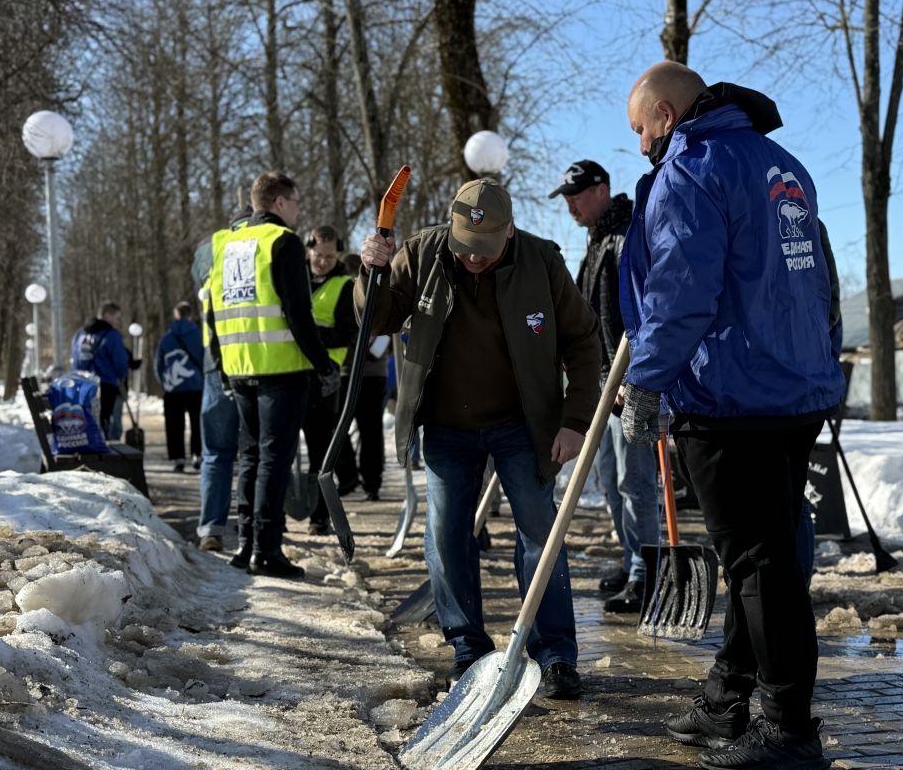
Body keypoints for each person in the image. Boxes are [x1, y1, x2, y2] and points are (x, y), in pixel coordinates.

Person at [618, 62, 844, 769]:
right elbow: (822, 281)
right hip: (794, 390)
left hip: (729, 394)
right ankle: (727, 699)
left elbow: (683, 291)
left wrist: (646, 382)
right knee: (766, 557)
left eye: (639, 130)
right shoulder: (784, 166)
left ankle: (786, 728)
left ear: (663, 112)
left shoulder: (693, 167)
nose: (641, 145)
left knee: (758, 564)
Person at [357, 177, 600, 699]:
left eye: (485, 252)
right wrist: (371, 271)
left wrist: (574, 420)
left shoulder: (542, 262)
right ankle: (468, 648)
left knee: (542, 534)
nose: (473, 260)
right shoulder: (422, 254)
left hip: (523, 423)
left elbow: (583, 340)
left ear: (509, 232)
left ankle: (555, 653)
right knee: (446, 536)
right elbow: (374, 319)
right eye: (465, 249)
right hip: (445, 424)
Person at [206, 171, 338, 578]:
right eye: (295, 202)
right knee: (273, 460)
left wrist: (221, 363)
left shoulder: (225, 243)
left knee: (250, 457)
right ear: (279, 203)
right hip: (280, 369)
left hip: (239, 366)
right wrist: (324, 364)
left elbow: (211, 313)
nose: (298, 210)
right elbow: (299, 314)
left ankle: (246, 543)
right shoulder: (282, 242)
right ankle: (267, 549)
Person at [550, 159, 658, 614]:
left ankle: (646, 570)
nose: (571, 205)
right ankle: (632, 555)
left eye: (578, 196)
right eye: (567, 199)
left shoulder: (629, 233)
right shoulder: (596, 240)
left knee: (635, 480)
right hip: (602, 378)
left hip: (627, 377)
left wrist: (633, 374)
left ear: (602, 190)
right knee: (612, 480)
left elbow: (643, 308)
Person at [192, 206, 250, 553]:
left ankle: (211, 528)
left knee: (216, 452)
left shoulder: (208, 248)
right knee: (256, 452)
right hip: (258, 362)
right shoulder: (266, 242)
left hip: (216, 361)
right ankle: (251, 529)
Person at [300, 225, 358, 535]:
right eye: (318, 255)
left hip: (324, 377)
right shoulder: (297, 278)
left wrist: (312, 337)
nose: (322, 261)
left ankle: (319, 515)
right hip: (290, 371)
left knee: (320, 450)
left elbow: (349, 335)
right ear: (308, 250)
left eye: (330, 256)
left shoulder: (345, 286)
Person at [340, 252, 390, 502]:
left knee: (370, 431)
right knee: (353, 429)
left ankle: (370, 481)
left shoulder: (373, 291)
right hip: (350, 370)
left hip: (370, 372)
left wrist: (373, 346)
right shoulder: (343, 294)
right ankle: (358, 478)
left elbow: (386, 329)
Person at [70, 301, 139, 438]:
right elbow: (120, 360)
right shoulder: (111, 335)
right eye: (116, 317)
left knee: (88, 418)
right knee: (104, 419)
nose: (118, 322)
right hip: (106, 383)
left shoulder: (80, 334)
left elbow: (75, 357)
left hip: (83, 383)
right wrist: (121, 375)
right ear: (107, 315)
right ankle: (104, 448)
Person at [154, 301, 204, 472]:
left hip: (173, 388)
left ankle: (178, 458)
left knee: (175, 424)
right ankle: (198, 454)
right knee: (198, 423)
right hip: (197, 387)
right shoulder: (199, 335)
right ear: (190, 315)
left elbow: (158, 364)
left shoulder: (166, 338)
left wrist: (164, 382)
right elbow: (206, 359)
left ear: (176, 315)